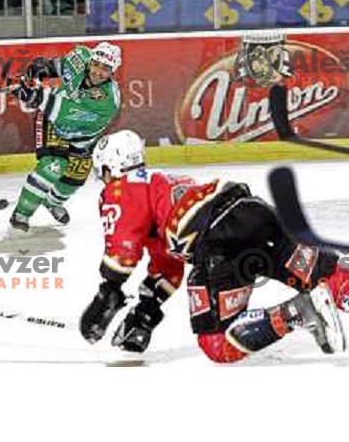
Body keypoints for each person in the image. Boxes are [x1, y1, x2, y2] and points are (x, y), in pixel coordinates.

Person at [80, 129, 348, 362]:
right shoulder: (162, 182)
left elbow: (123, 247)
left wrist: (109, 291)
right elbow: (167, 265)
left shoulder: (119, 188)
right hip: (256, 215)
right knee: (327, 274)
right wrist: (145, 312)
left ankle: (297, 313)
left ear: (109, 167)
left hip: (219, 244)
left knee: (218, 344)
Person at [9, 41, 122, 233]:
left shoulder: (107, 101)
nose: (98, 72)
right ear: (90, 61)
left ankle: (51, 202)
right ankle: (21, 214)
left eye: (105, 68)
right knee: (54, 165)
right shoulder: (79, 58)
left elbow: (62, 111)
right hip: (52, 123)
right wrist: (38, 71)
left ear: (113, 72)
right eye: (96, 64)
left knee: (77, 176)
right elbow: (55, 67)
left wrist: (33, 96)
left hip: (80, 135)